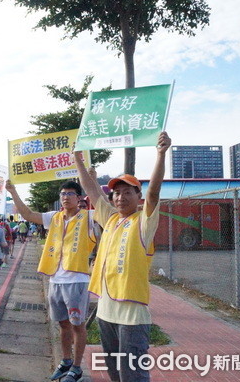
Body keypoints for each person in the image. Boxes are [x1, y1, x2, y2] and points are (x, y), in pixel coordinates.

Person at [73, 131, 171, 382]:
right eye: (117, 193)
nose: (121, 197)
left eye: (128, 192)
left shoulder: (144, 222)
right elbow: (92, 191)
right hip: (106, 312)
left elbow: (155, 193)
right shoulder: (112, 219)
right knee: (115, 374)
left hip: (132, 318)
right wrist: (78, 160)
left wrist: (160, 154)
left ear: (138, 197)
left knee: (133, 375)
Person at [6, 179, 97, 382]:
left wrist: (91, 180)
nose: (65, 197)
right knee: (63, 324)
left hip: (77, 280)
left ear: (80, 197)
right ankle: (66, 361)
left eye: (70, 194)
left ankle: (76, 367)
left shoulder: (89, 217)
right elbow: (28, 215)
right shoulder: (54, 217)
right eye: (63, 194)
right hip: (56, 280)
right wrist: (13, 192)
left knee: (77, 326)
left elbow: (103, 207)